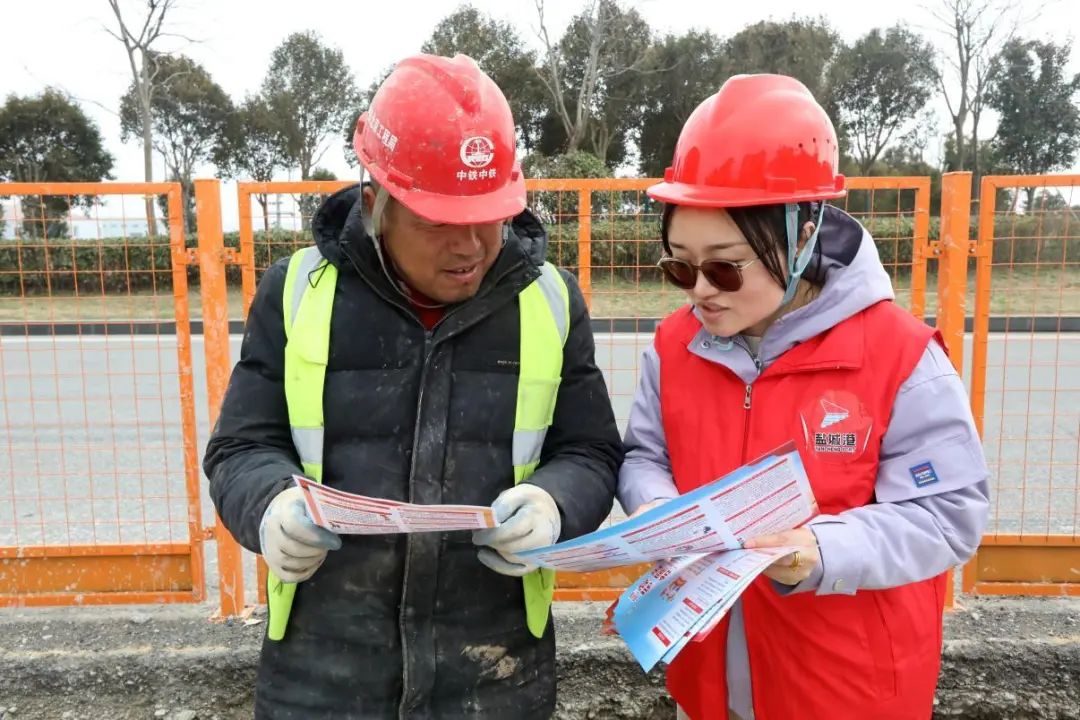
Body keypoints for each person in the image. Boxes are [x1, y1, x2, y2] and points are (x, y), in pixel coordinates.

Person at [203, 53, 622, 719]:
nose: (471, 246)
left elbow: (590, 451)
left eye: (488, 217)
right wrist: (269, 507)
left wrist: (554, 504)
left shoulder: (549, 300)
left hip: (494, 675)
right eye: (439, 222)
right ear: (376, 205)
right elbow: (240, 448)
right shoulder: (298, 293)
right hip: (322, 676)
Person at [616, 74, 990, 720]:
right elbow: (645, 455)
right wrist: (659, 509)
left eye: (725, 266)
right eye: (679, 265)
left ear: (804, 233)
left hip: (846, 690)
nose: (700, 289)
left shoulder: (899, 355)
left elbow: (948, 513)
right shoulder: (675, 346)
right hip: (707, 684)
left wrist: (822, 551)